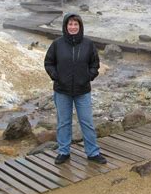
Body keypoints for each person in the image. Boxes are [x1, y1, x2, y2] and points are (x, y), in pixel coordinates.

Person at [44, 13, 107, 165]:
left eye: (75, 25)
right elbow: (49, 62)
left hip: (82, 90)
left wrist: (88, 76)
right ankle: (64, 151)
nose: (73, 27)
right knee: (63, 123)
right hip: (62, 90)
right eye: (70, 24)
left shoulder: (88, 44)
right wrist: (56, 76)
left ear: (80, 27)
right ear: (65, 26)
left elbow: (95, 64)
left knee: (86, 122)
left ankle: (93, 152)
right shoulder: (57, 44)